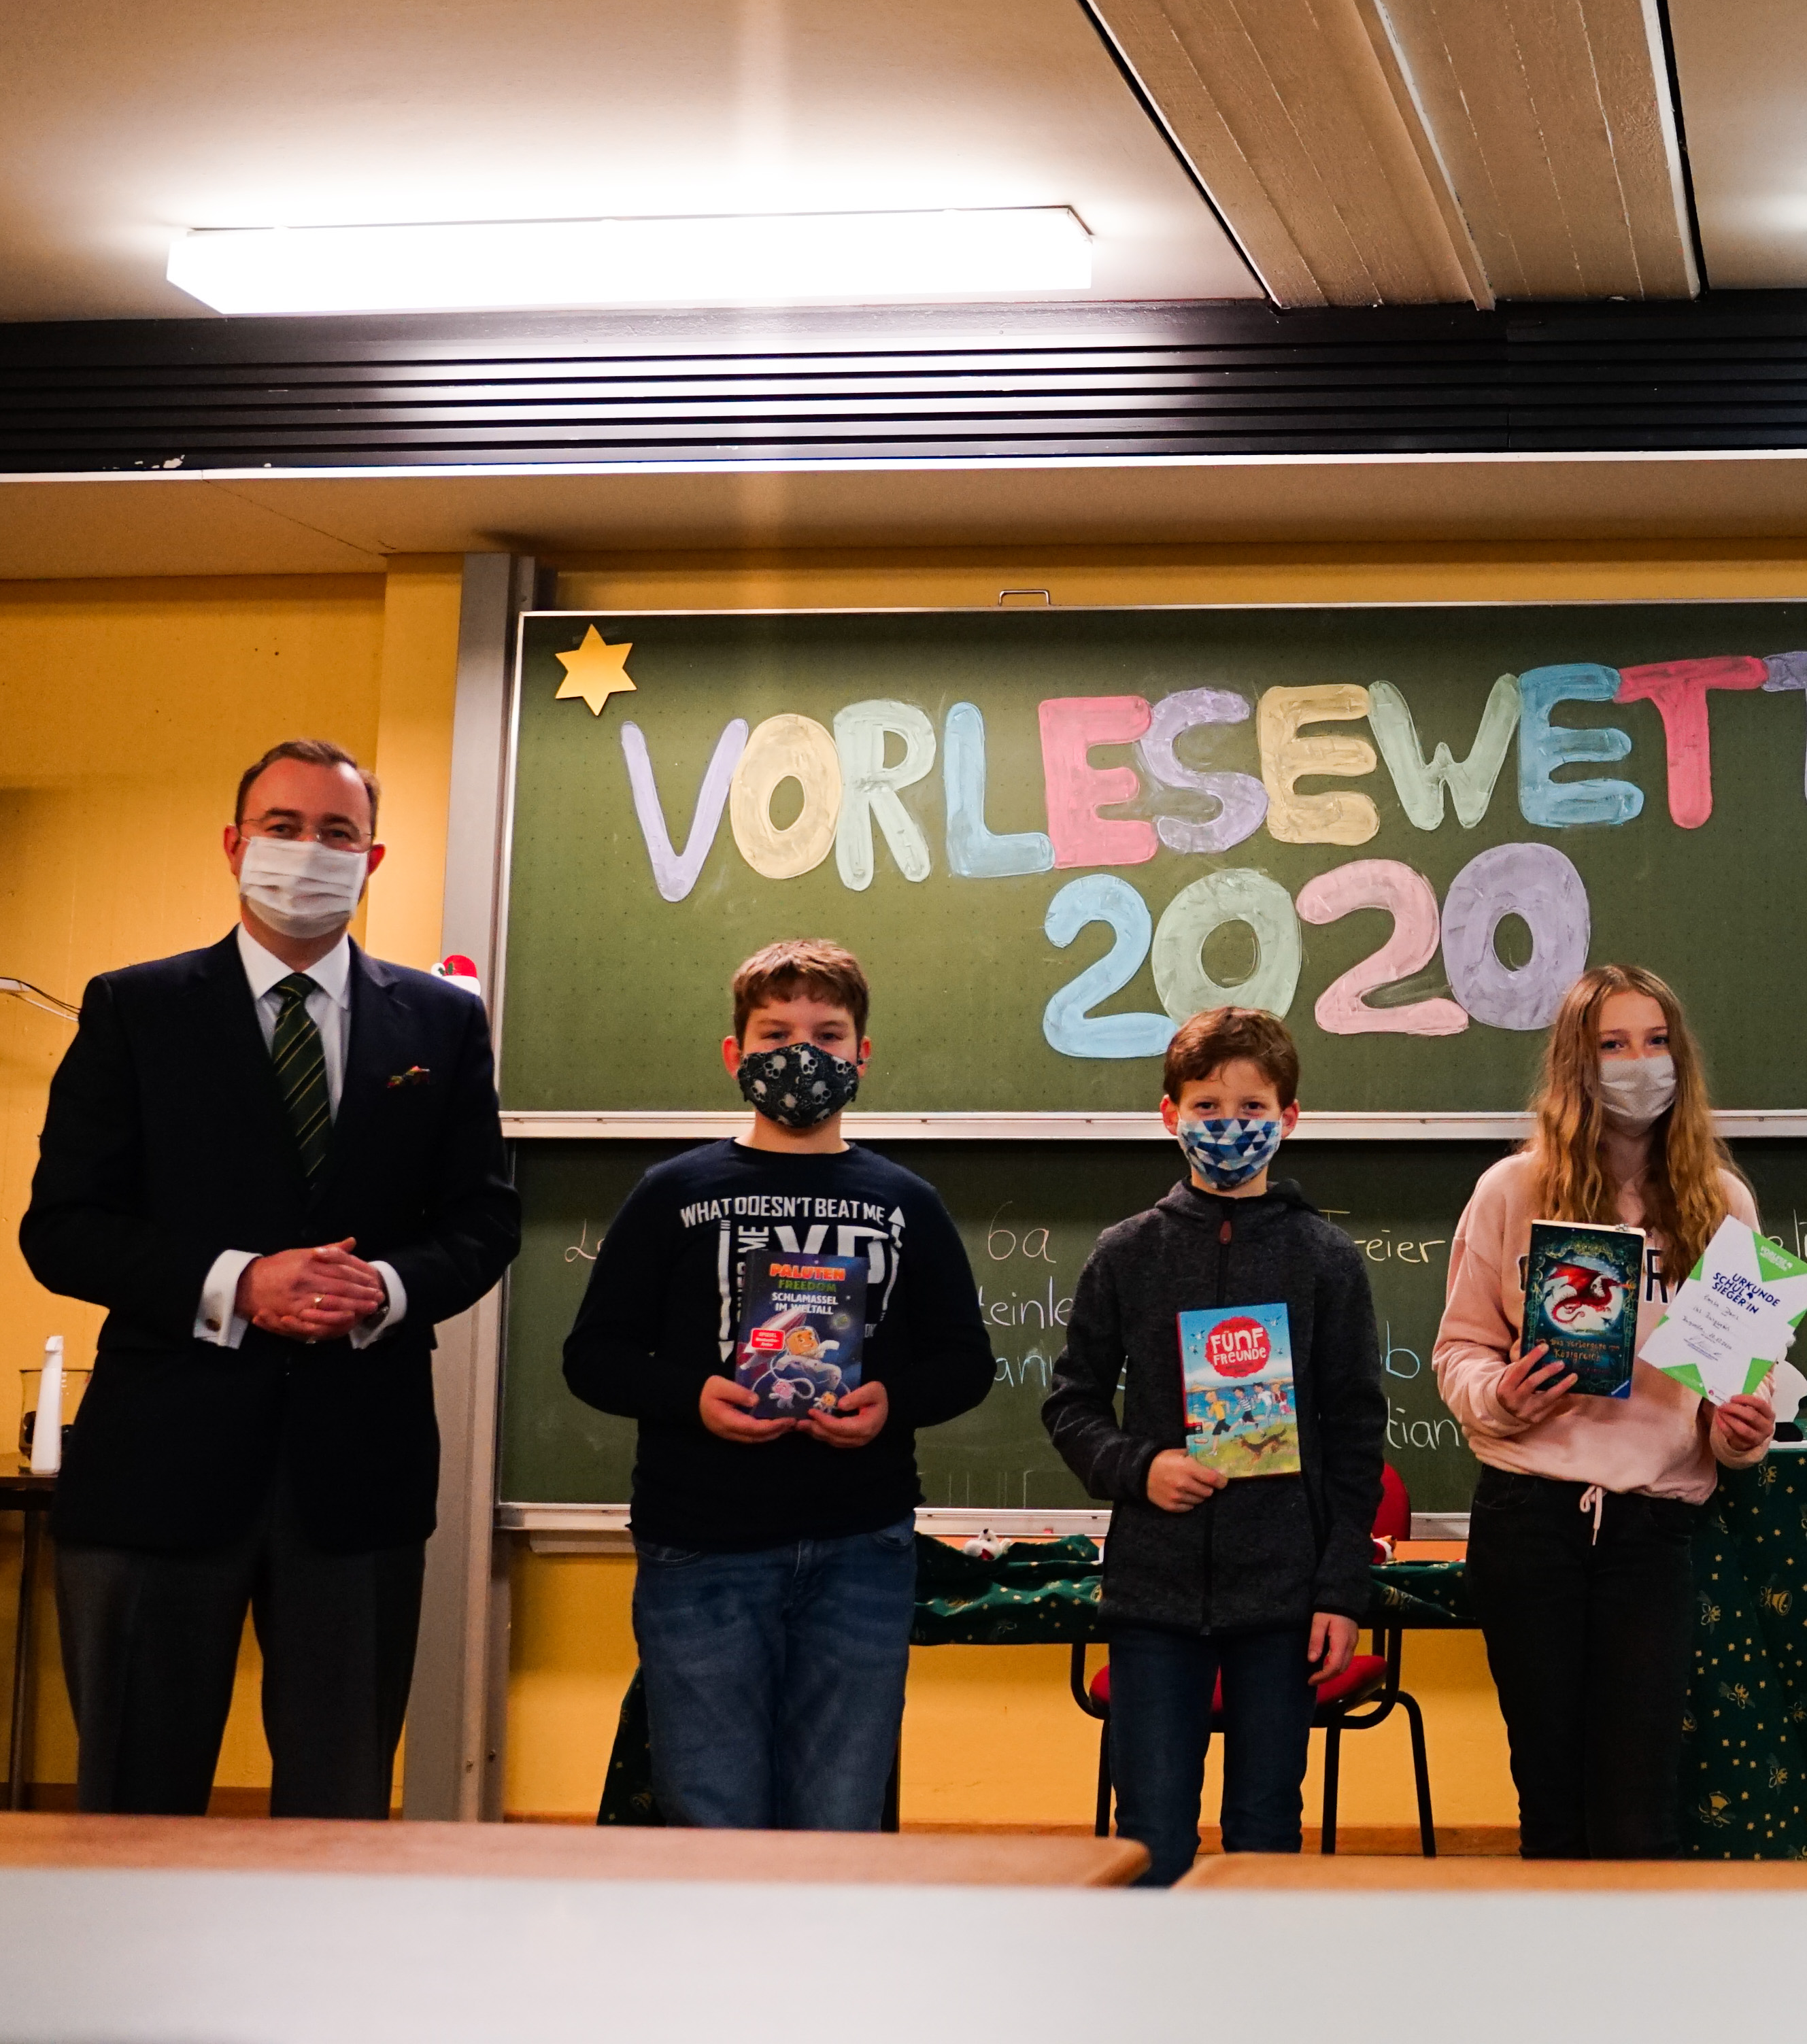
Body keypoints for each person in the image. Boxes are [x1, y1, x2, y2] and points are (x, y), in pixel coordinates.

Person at [22, 738, 518, 1817]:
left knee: (340, 1809)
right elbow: (62, 1229)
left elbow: (484, 1221)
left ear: (371, 859)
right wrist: (240, 1284)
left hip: (359, 1472)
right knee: (134, 1810)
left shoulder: (440, 1022)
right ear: (234, 843)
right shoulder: (135, 1008)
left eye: (337, 832)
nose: (308, 849)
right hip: (158, 1474)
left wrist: (384, 1289)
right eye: (283, 826)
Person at [562, 940, 992, 1830]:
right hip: (700, 1547)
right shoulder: (672, 1193)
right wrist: (693, 1398)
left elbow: (965, 1361)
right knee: (710, 1818)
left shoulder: (907, 1202)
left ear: (862, 1054)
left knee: (840, 1818)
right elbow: (593, 1355)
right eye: (775, 1033)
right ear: (736, 1053)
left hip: (861, 1546)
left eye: (827, 1035)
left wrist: (891, 1406)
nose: (803, 1052)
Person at [1432, 963, 1777, 1859]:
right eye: (1613, 1045)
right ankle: (1554, 1955)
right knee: (1552, 1802)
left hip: (1652, 1532)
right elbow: (1459, 1351)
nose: (1639, 1064)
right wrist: (1500, 1396)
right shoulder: (1512, 1190)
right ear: (1575, 1065)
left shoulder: (1721, 1202)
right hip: (1529, 1519)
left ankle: (1638, 1955)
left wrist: (1744, 1432)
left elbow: (1746, 1384)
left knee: (1636, 1809)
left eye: (1656, 1042)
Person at [1044, 1005, 1383, 1885]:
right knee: (1151, 1833)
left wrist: (1339, 1590)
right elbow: (1072, 1404)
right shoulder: (1127, 1254)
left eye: (1251, 1107)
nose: (1228, 1124)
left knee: (1265, 1833)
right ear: (1170, 1115)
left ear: (1289, 1118)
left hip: (1283, 1601)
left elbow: (1356, 1435)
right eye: (1206, 1106)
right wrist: (1140, 1467)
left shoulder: (1326, 1260)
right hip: (1153, 1598)